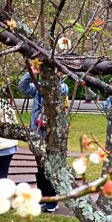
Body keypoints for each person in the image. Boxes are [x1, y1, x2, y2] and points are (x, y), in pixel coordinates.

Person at [18, 65, 69, 212]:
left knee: (50, 167)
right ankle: (42, 197)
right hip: (38, 132)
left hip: (51, 134)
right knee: (40, 166)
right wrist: (32, 73)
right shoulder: (38, 90)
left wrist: (56, 75)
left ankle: (51, 200)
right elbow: (22, 86)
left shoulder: (61, 87)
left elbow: (63, 89)